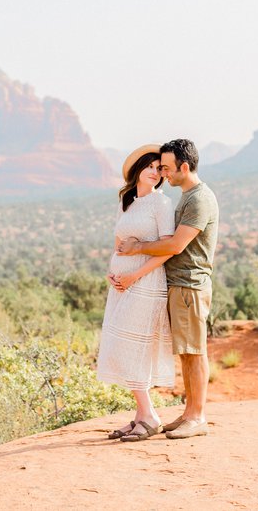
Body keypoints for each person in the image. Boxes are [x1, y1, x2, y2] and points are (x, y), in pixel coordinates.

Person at [117, 138, 218, 439]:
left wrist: (137, 248)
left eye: (167, 168)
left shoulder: (199, 199)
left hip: (190, 286)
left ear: (184, 167)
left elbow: (176, 244)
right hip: (181, 285)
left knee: (194, 352)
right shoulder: (188, 196)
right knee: (187, 352)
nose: (163, 174)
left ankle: (197, 417)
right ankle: (189, 414)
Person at [96, 144, 176, 442]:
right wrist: (113, 271)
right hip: (121, 282)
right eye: (151, 167)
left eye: (160, 169)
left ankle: (150, 415)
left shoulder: (161, 204)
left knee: (131, 348)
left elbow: (167, 249)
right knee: (117, 344)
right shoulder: (127, 201)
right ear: (138, 168)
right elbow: (118, 242)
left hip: (146, 282)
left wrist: (133, 276)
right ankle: (142, 415)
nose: (155, 173)